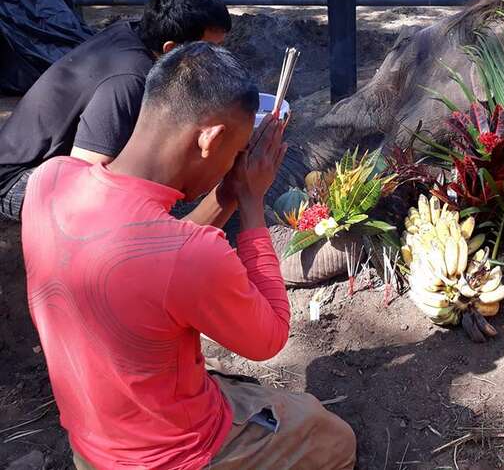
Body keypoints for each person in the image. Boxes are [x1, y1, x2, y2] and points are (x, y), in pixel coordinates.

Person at [20, 43, 356, 469]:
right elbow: (269, 337)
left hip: (92, 445)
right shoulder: (191, 254)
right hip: (175, 456)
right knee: (331, 435)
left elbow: (150, 255)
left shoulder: (50, 181)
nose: (235, 163)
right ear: (209, 139)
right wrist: (252, 203)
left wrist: (229, 195)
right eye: (234, 153)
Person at [0, 0, 231, 221]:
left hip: (53, 162)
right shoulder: (128, 81)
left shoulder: (133, 33)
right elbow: (85, 180)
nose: (214, 59)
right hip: (18, 180)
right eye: (209, 51)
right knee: (131, 207)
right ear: (171, 49)